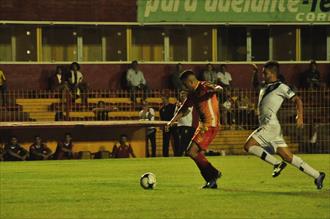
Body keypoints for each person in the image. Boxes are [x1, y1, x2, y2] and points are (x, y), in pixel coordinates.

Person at [243, 60, 325, 190]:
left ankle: (276, 164)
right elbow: (255, 85)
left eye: (264, 73)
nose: (263, 75)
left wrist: (300, 116)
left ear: (272, 73)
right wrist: (255, 72)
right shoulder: (264, 86)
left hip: (270, 125)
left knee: (248, 146)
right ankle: (317, 175)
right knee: (288, 156)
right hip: (270, 126)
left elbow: (297, 100)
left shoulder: (281, 87)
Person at [167, 70, 223, 189]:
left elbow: (218, 87)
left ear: (191, 82)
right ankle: (212, 180)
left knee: (192, 152)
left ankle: (213, 175)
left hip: (211, 125)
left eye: (185, 84)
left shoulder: (204, 86)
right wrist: (171, 122)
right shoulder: (192, 94)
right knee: (191, 152)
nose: (184, 87)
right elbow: (183, 109)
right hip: (202, 126)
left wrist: (217, 89)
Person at [173, 91, 196, 156]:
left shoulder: (189, 104)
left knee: (185, 142)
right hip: (179, 125)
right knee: (180, 142)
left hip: (187, 125)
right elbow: (174, 115)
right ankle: (181, 155)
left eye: (184, 94)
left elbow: (185, 113)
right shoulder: (178, 105)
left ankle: (184, 154)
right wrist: (178, 108)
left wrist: (178, 114)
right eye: (181, 94)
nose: (182, 95)